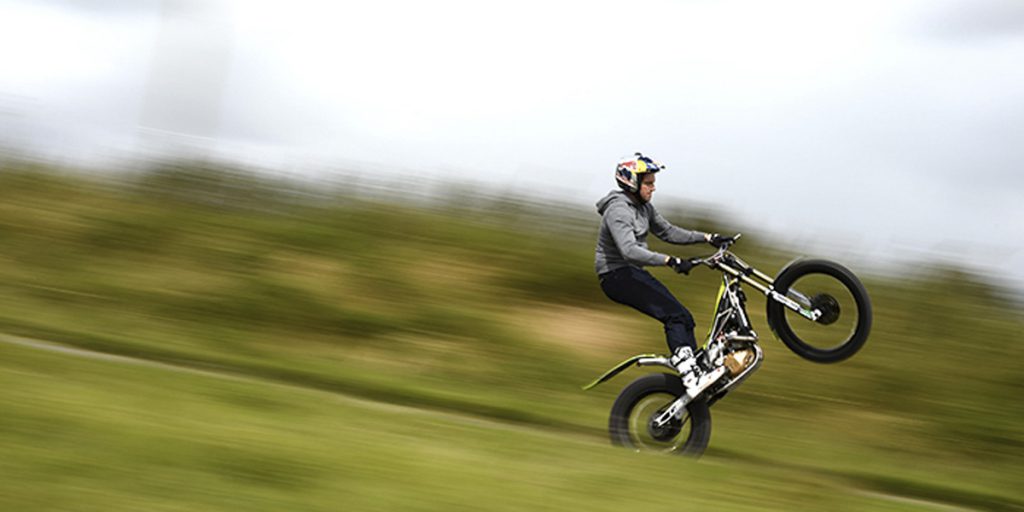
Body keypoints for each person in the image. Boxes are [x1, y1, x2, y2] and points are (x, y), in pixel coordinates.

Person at [594, 152, 732, 383]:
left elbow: (668, 232)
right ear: (632, 182)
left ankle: (697, 372)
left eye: (653, 183)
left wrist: (709, 237)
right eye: (648, 183)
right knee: (674, 316)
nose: (653, 188)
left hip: (631, 273)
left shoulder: (644, 208)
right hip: (616, 275)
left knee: (685, 318)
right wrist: (671, 261)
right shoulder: (618, 210)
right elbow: (629, 250)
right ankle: (688, 372)